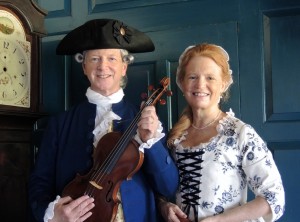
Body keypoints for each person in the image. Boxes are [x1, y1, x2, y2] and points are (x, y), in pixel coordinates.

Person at [29, 19, 179, 222]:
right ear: (84, 67)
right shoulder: (60, 124)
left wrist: (151, 141)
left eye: (111, 58)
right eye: (94, 59)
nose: (103, 66)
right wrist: (51, 214)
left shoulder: (145, 121)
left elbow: (168, 187)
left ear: (124, 67)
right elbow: (40, 183)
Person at [158, 43, 285, 222]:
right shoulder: (175, 136)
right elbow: (159, 187)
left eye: (210, 77)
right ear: (182, 83)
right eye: (193, 77)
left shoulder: (240, 133)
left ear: (224, 84)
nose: (200, 84)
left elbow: (274, 196)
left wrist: (219, 220)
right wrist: (164, 206)